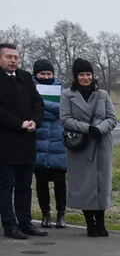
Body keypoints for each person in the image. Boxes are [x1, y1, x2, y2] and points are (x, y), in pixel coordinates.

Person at [60, 58, 116, 237]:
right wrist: (87, 128)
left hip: (101, 145)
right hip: (80, 145)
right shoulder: (67, 95)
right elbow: (65, 119)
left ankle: (100, 221)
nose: (85, 77)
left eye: (88, 74)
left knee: (101, 184)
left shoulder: (103, 95)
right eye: (82, 74)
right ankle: (89, 222)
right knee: (84, 184)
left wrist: (100, 129)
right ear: (76, 77)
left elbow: (112, 118)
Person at [0, 42, 46, 239]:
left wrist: (34, 121)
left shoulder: (26, 77)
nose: (13, 61)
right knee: (5, 186)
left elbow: (38, 102)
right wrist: (19, 123)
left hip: (27, 141)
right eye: (9, 57)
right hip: (5, 142)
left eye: (16, 57)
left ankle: (25, 222)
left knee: (25, 186)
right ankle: (9, 225)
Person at [32, 59, 67, 228]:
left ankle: (61, 214)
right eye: (42, 74)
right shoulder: (29, 89)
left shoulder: (62, 90)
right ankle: (45, 213)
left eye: (49, 73)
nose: (46, 76)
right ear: (36, 75)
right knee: (41, 182)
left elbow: (65, 110)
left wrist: (41, 105)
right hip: (37, 142)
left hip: (57, 143)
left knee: (60, 182)